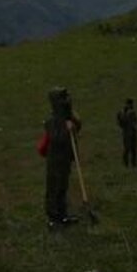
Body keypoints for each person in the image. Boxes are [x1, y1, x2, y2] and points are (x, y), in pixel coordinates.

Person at [43, 87, 82, 228]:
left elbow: (78, 125)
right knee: (54, 187)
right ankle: (53, 218)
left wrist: (73, 120)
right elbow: (56, 138)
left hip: (66, 158)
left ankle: (63, 215)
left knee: (63, 187)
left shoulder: (68, 116)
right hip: (55, 160)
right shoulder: (51, 122)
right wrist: (67, 129)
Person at [116, 99, 137, 168]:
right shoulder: (123, 113)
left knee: (133, 149)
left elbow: (135, 121)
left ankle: (133, 164)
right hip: (127, 133)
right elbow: (121, 123)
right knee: (127, 149)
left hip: (132, 132)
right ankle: (126, 164)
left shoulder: (132, 112)